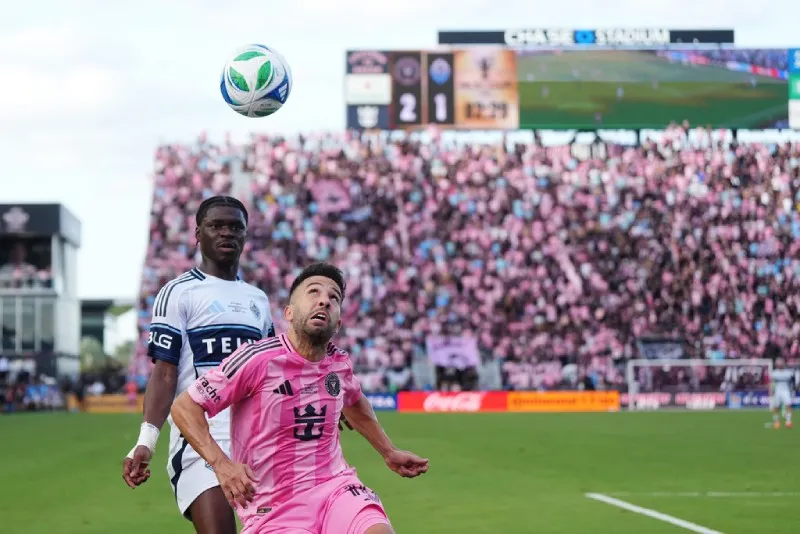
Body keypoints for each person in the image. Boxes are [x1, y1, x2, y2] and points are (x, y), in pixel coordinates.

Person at [170, 262, 428, 534]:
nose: (324, 301)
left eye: (334, 298)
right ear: (289, 313)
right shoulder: (257, 360)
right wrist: (221, 465)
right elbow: (185, 406)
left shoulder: (338, 364)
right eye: (313, 292)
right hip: (275, 505)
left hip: (335, 488)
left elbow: (355, 402)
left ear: (339, 322)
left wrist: (388, 451)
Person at [122, 196, 276, 534]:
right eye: (216, 225)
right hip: (200, 442)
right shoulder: (178, 293)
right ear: (198, 234)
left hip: (257, 442)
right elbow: (165, 371)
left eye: (235, 226)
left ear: (246, 236)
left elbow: (271, 372)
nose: (226, 233)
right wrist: (146, 441)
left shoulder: (258, 301)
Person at [769, 357, 794, 429]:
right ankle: (776, 421)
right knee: (776, 407)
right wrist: (771, 392)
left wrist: (792, 390)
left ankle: (788, 422)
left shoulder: (789, 373)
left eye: (781, 362)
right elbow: (771, 384)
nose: (780, 364)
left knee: (788, 405)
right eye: (778, 363)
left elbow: (792, 383)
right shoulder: (774, 373)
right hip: (777, 392)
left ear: (783, 363)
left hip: (786, 391)